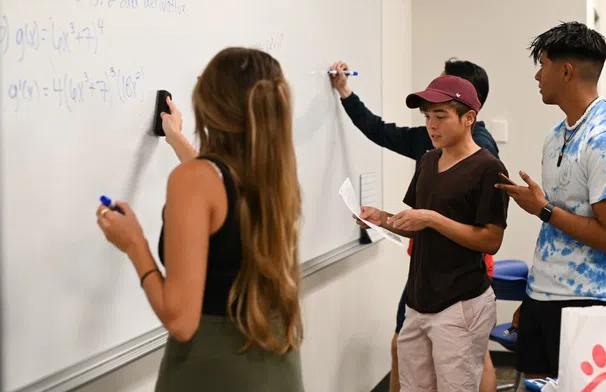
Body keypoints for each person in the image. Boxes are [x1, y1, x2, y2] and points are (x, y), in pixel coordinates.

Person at [95, 48, 305, 391]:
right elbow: (221, 189)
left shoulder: (192, 181)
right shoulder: (276, 175)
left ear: (213, 101)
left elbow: (180, 320)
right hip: (275, 367)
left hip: (213, 370)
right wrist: (176, 138)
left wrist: (134, 244)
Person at [330, 59, 500, 392]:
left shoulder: (486, 164)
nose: (431, 125)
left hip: (460, 295)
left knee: (466, 373)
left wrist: (430, 218)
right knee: (412, 375)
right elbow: (417, 222)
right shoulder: (429, 158)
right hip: (421, 293)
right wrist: (382, 218)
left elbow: (490, 239)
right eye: (427, 115)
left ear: (468, 116)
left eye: (440, 115)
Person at [495, 22, 606, 380]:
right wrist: (534, 296)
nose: (536, 75)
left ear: (566, 70)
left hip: (592, 306)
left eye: (542, 64)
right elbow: (561, 225)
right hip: (546, 298)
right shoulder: (557, 134)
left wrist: (543, 209)